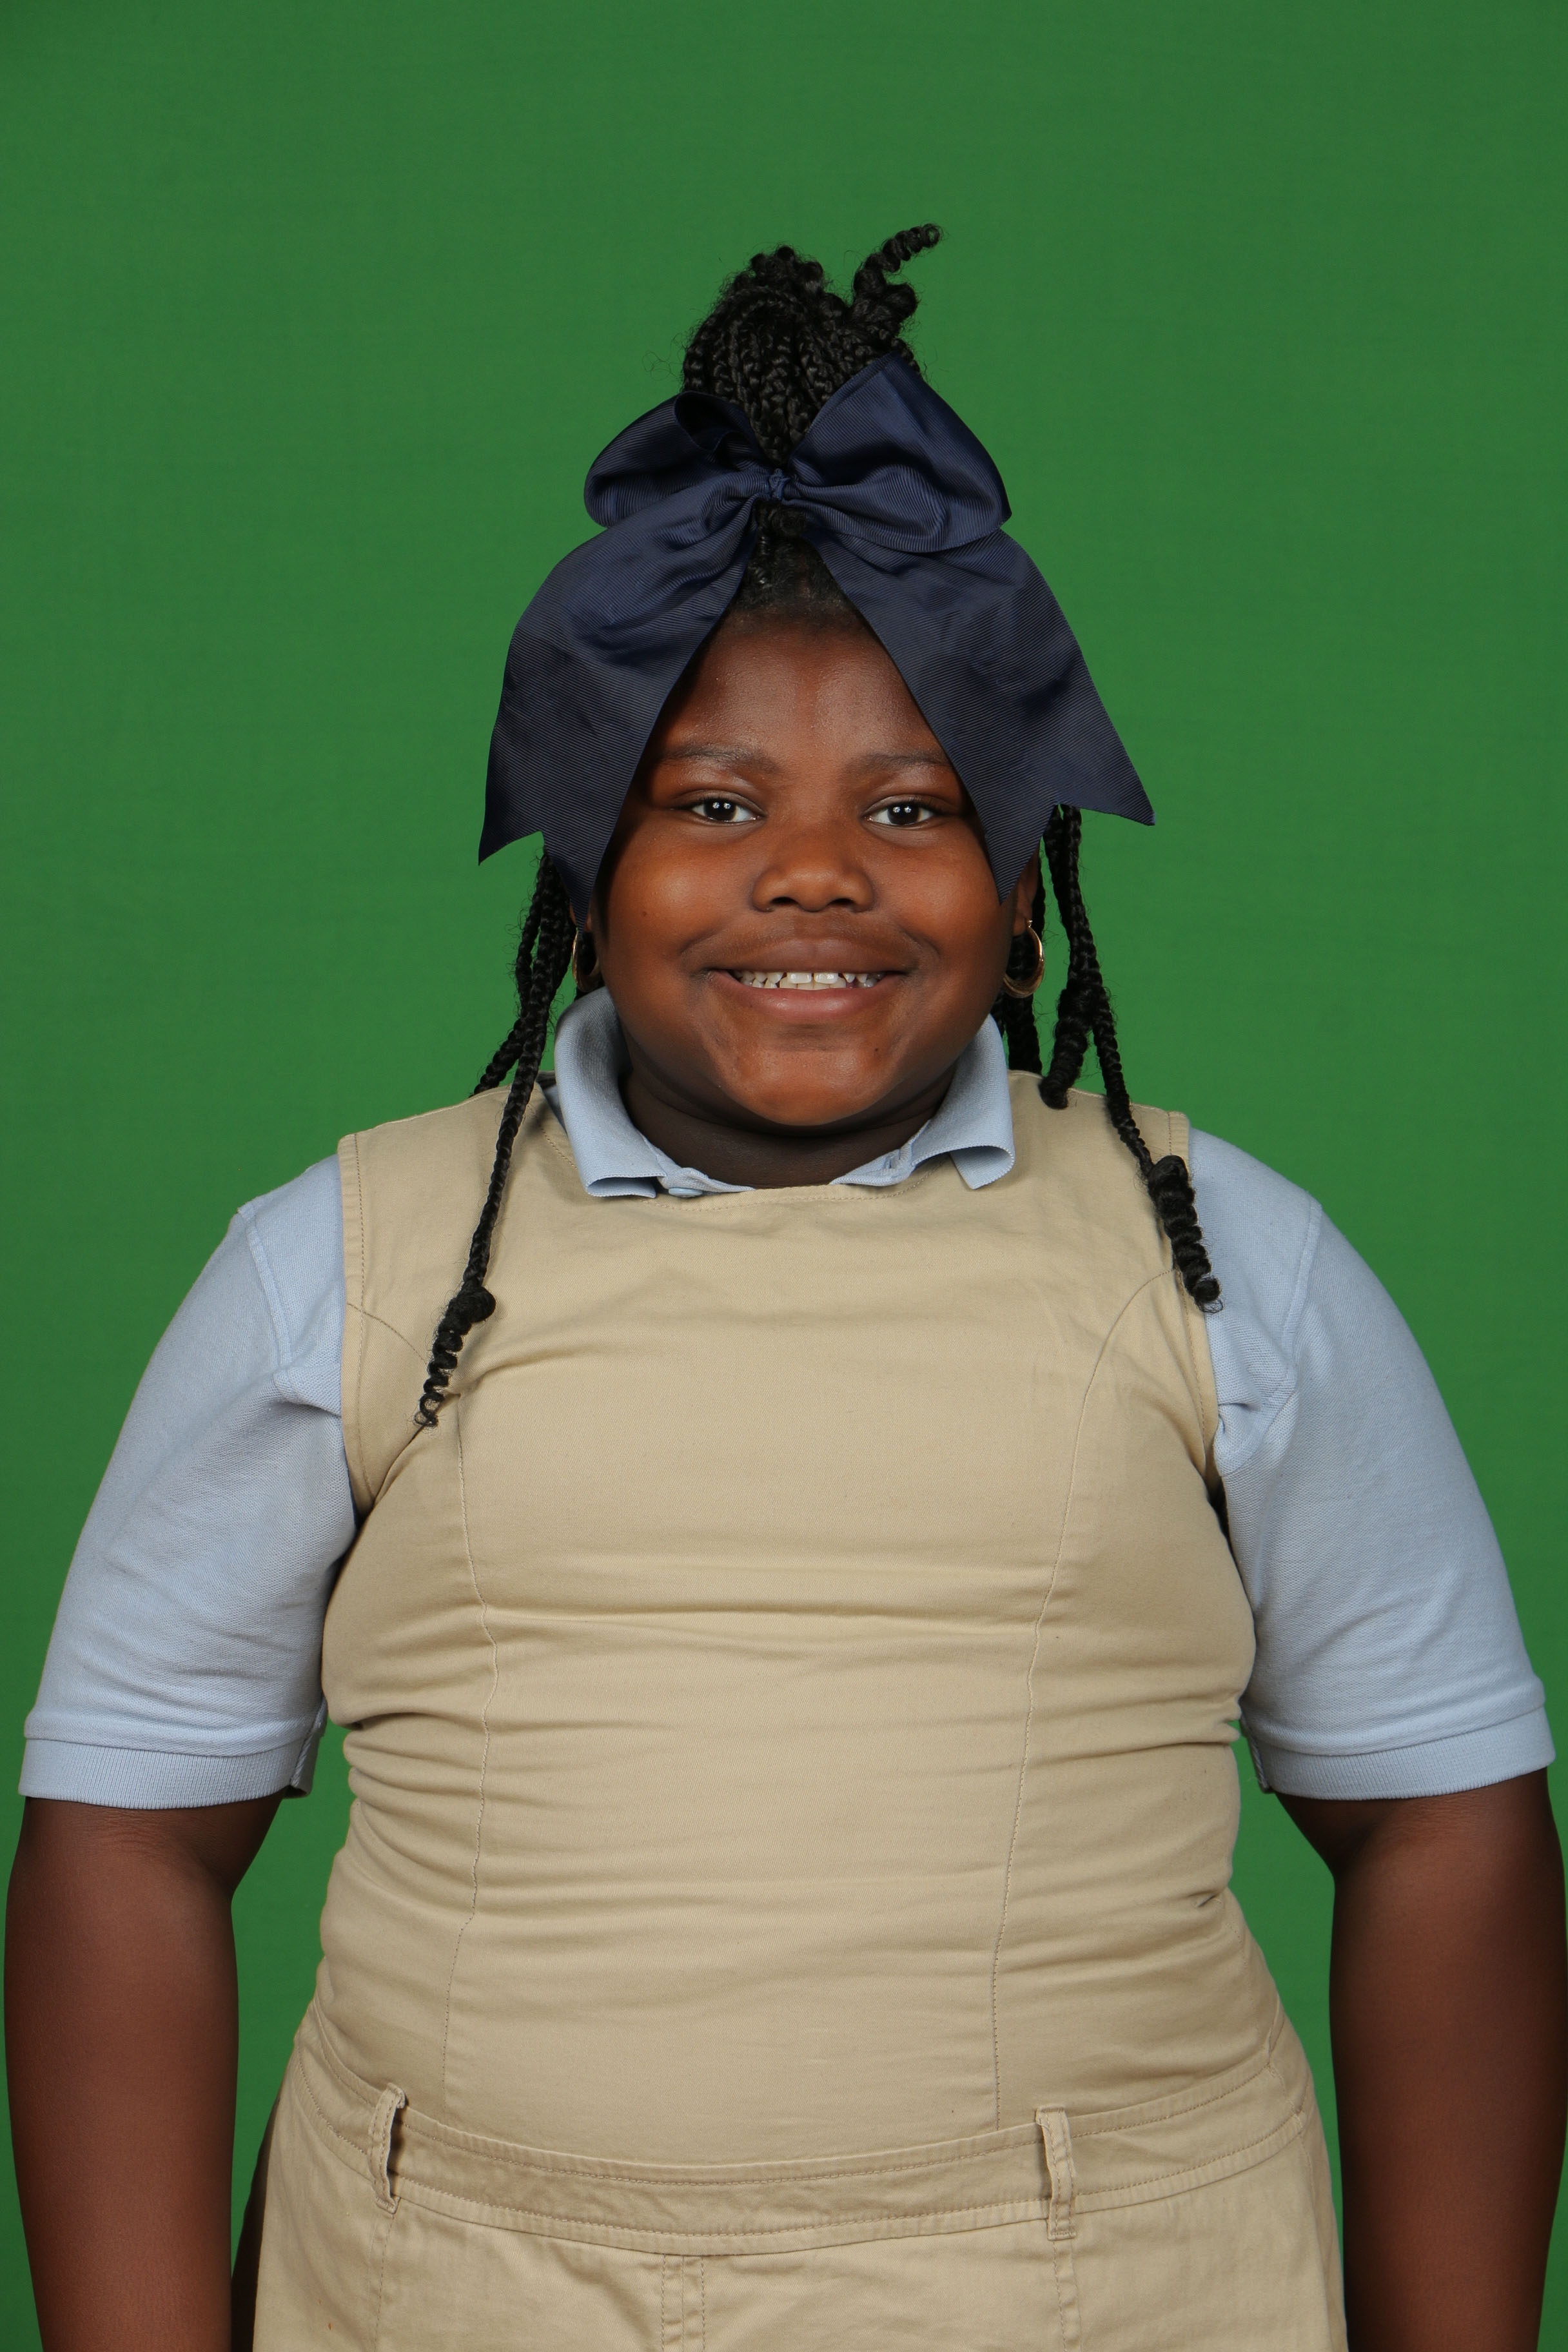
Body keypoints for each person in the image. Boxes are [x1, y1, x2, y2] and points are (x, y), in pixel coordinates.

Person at [7, 229, 1563, 2352]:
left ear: (1025, 896)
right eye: (712, 804)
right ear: (586, 877)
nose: (814, 869)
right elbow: (126, 1836)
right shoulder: (352, 1268)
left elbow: (1444, 1821)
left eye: (913, 807)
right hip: (460, 2296)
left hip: (1101, 2302)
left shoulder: (1218, 1261)